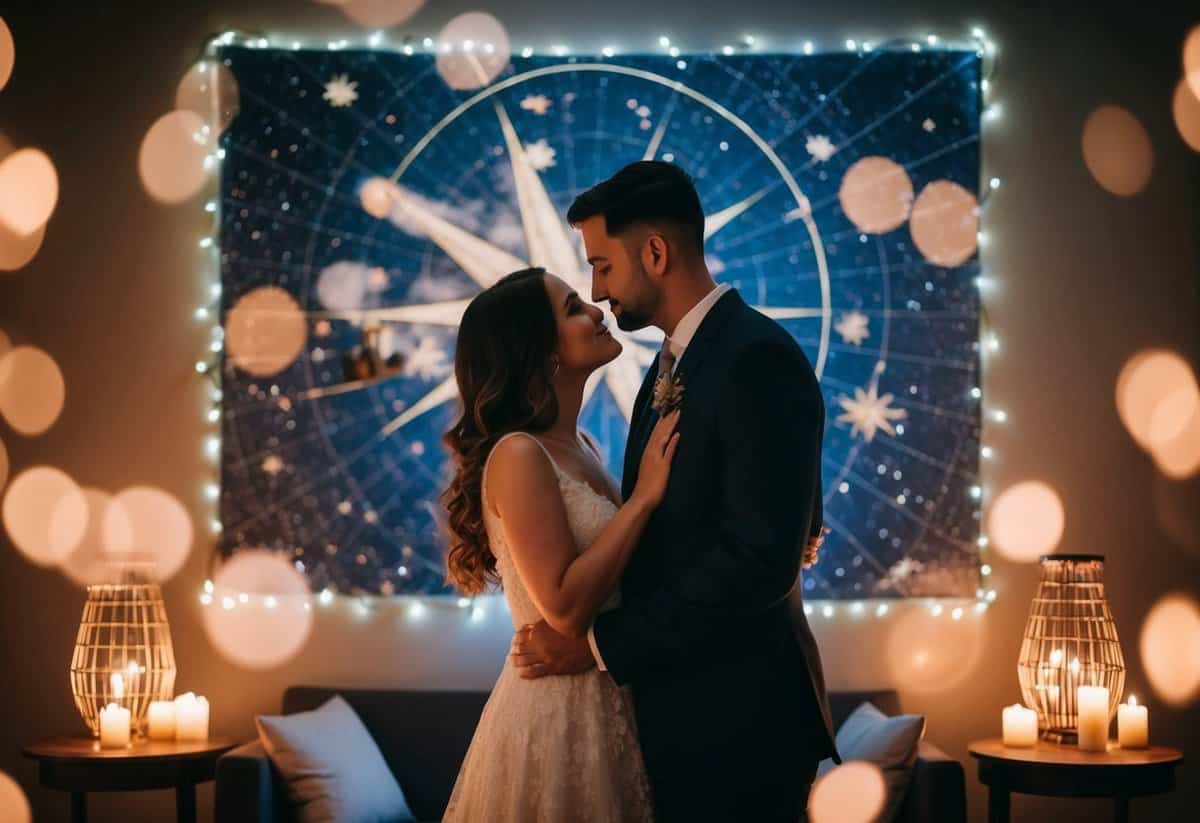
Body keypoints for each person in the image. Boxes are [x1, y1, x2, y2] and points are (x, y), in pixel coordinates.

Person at [511, 161, 840, 822]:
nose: (599, 291)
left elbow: (759, 558)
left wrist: (598, 646)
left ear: (655, 253)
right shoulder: (670, 367)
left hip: (738, 725)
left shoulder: (754, 357)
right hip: (683, 715)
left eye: (603, 265)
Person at [440, 265, 680, 821]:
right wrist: (643, 499)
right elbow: (565, 608)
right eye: (573, 307)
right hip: (559, 709)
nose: (597, 310)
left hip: (612, 695)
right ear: (537, 349)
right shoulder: (520, 454)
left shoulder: (582, 446)